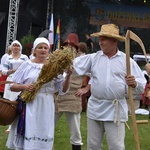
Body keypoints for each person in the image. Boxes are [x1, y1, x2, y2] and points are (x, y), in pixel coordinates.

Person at [73, 24, 146, 150]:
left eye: (103, 39)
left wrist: (134, 83)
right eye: (100, 39)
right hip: (95, 107)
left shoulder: (126, 61)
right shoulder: (94, 58)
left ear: (114, 41)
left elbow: (142, 84)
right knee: (93, 146)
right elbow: (73, 65)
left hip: (115, 110)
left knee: (116, 147)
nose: (100, 42)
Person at [6, 37, 72, 150]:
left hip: (46, 105)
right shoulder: (26, 65)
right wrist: (24, 87)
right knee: (29, 130)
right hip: (29, 104)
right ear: (34, 51)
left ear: (48, 51)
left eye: (45, 48)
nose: (43, 50)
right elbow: (12, 86)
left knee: (44, 131)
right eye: (40, 47)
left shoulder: (53, 67)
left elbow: (63, 90)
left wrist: (69, 75)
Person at [54, 34, 87, 150]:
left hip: (73, 96)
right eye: (67, 45)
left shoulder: (83, 60)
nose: (69, 47)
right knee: (48, 128)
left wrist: (86, 89)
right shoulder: (59, 57)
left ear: (76, 47)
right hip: (57, 97)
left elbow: (96, 75)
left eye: (72, 45)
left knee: (75, 131)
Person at [2, 40, 29, 133]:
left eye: (17, 46)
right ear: (11, 47)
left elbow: (28, 68)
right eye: (14, 46)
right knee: (9, 103)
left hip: (20, 81)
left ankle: (19, 122)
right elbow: (4, 71)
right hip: (10, 80)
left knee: (18, 102)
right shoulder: (7, 58)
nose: (16, 47)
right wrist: (15, 70)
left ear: (20, 47)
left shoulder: (24, 57)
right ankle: (10, 125)